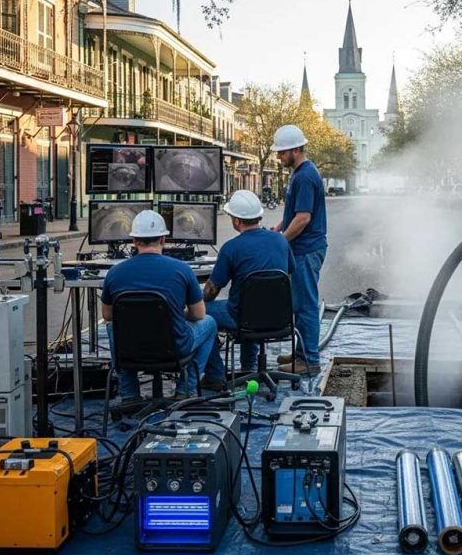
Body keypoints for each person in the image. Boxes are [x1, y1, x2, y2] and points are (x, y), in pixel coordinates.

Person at [101, 209, 222, 401]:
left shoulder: (114, 273)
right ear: (163, 240)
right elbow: (199, 314)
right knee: (210, 323)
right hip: (174, 349)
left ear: (134, 241)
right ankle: (186, 388)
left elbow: (108, 315)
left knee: (112, 327)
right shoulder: (182, 269)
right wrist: (175, 315)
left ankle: (129, 394)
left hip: (131, 349)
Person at [203, 190, 295, 373]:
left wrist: (196, 298)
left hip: (243, 318)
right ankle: (248, 367)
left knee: (198, 313)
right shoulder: (280, 240)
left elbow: (211, 292)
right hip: (280, 316)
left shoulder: (231, 248)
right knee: (251, 306)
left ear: (237, 221)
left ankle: (215, 375)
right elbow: (289, 273)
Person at [270, 124, 327, 375]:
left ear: (295, 150)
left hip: (306, 249)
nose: (278, 156)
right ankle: (300, 353)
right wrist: (280, 226)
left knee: (306, 306)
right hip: (302, 249)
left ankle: (309, 360)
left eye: (282, 152)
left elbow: (303, 218)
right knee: (299, 303)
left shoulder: (304, 176)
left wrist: (281, 241)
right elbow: (295, 213)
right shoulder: (300, 173)